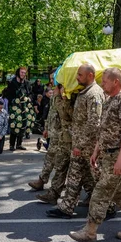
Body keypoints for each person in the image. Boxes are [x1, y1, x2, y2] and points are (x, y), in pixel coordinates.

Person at [69, 68, 121, 242]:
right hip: (107, 155)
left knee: (100, 193)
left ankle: (90, 232)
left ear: (115, 82)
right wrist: (96, 151)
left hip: (116, 156)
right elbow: (103, 130)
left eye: (105, 81)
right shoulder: (110, 100)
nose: (102, 84)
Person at [47, 64, 104, 219]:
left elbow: (94, 124)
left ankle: (109, 206)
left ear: (91, 75)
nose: (77, 78)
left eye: (80, 75)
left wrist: (80, 144)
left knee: (98, 178)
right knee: (75, 175)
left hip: (89, 147)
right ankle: (67, 206)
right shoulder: (84, 93)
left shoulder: (94, 94)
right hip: (79, 144)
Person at [36, 85, 74, 204]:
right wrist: (47, 127)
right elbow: (50, 113)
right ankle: (48, 186)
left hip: (64, 133)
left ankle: (90, 194)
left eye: (54, 79)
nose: (52, 82)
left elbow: (65, 113)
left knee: (69, 165)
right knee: (56, 160)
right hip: (56, 132)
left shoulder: (66, 93)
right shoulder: (55, 95)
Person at [28, 86, 61, 192]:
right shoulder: (53, 99)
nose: (53, 90)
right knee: (50, 158)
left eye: (55, 88)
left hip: (62, 135)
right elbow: (49, 115)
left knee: (60, 161)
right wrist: (46, 128)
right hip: (53, 133)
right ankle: (42, 181)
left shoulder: (67, 99)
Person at [6, 67, 32, 150]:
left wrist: (29, 99)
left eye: (24, 73)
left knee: (23, 124)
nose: (23, 74)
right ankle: (12, 144)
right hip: (15, 106)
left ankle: (19, 144)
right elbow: (8, 95)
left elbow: (30, 94)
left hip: (24, 106)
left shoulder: (27, 83)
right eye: (22, 72)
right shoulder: (12, 83)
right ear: (18, 73)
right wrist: (14, 101)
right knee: (15, 124)